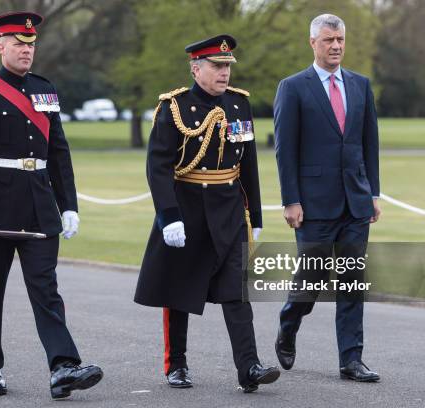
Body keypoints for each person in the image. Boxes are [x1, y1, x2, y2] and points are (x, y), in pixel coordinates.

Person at [0, 11, 102, 399]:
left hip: (39, 203)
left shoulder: (45, 90)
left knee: (46, 289)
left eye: (30, 44)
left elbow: (59, 151)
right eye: (18, 44)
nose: (25, 50)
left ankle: (63, 367)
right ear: (1, 46)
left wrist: (69, 204)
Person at [134, 34, 280, 393]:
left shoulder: (239, 104)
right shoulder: (174, 107)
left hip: (229, 210)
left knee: (237, 291)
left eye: (227, 66)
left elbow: (249, 166)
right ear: (196, 68)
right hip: (187, 208)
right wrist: (168, 216)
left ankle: (249, 367)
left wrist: (256, 217)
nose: (224, 72)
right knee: (179, 289)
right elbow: (158, 167)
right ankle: (177, 364)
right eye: (217, 66)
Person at [273, 14, 381, 382]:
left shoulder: (360, 85)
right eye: (328, 40)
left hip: (355, 202)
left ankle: (351, 360)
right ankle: (289, 323)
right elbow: (284, 150)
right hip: (312, 204)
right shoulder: (293, 87)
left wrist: (374, 194)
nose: (336, 46)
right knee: (313, 280)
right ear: (313, 43)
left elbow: (369, 144)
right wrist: (291, 199)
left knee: (351, 281)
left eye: (340, 40)